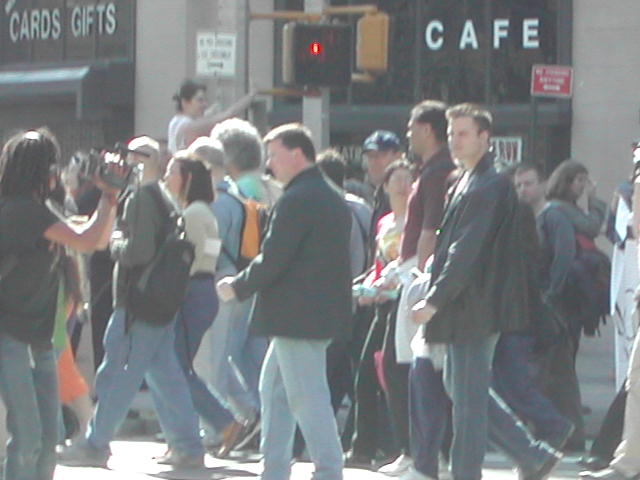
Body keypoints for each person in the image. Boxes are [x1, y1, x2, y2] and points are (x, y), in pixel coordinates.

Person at [412, 104, 559, 480]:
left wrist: (435, 299)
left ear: (485, 137)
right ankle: (532, 454)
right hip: (467, 306)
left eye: (463, 133)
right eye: (451, 134)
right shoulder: (469, 180)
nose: (455, 141)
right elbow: (459, 248)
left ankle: (477, 470)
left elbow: (467, 248)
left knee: (467, 404)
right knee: (462, 393)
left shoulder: (487, 184)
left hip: (475, 307)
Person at [217, 123, 352, 480]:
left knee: (307, 399)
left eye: (274, 155)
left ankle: (328, 471)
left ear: (297, 154)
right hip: (307, 316)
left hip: (297, 318)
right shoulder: (328, 195)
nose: (269, 164)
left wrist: (238, 285)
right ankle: (273, 470)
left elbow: (274, 258)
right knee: (275, 394)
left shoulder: (297, 198)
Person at [59, 140, 205, 469]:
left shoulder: (140, 198)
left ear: (142, 161)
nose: (122, 163)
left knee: (117, 373)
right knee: (165, 374)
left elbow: (136, 252)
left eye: (129, 157)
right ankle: (188, 446)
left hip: (137, 302)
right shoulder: (165, 197)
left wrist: (114, 243)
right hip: (160, 301)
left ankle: (95, 444)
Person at [0, 128, 120, 480]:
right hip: (12, 336)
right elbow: (88, 240)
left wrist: (109, 198)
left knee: (45, 436)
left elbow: (94, 239)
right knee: (29, 437)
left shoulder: (38, 211)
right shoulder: (23, 211)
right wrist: (109, 195)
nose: (59, 173)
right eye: (53, 166)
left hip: (37, 338)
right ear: (42, 170)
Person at [346, 160, 414, 470]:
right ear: (384, 187)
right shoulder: (385, 222)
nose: (401, 186)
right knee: (364, 375)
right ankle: (363, 447)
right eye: (394, 180)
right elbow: (378, 265)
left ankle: (403, 447)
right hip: (382, 304)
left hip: (407, 303)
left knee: (397, 377)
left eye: (407, 180)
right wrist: (364, 287)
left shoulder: (419, 222)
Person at [168, 79, 255, 154]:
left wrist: (216, 106)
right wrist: (251, 95)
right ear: (185, 102)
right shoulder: (190, 126)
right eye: (200, 100)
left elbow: (206, 116)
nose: (205, 104)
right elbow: (228, 115)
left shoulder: (175, 122)